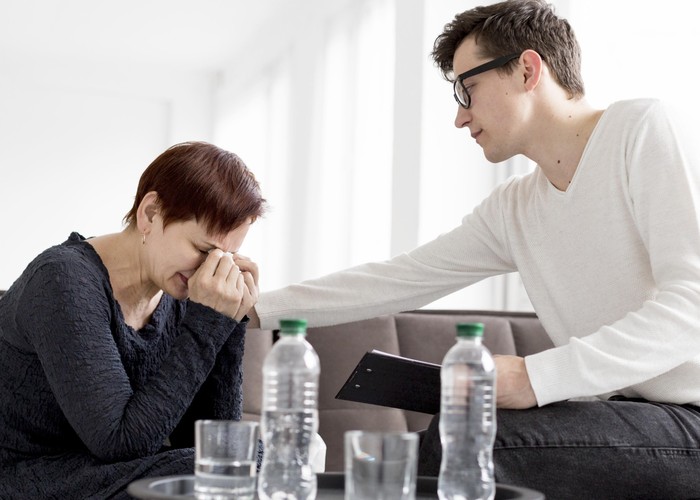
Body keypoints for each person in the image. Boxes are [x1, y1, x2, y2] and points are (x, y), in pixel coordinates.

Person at [249, 0, 700, 497]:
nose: (460, 118)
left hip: (691, 419)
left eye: (467, 89)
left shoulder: (642, 130)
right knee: (424, 449)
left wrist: (531, 376)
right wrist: (253, 309)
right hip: (628, 414)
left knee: (468, 444)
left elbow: (693, 304)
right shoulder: (515, 208)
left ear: (527, 70)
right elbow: (401, 277)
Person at [0, 141, 266, 499]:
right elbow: (119, 442)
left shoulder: (180, 290)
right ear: (150, 214)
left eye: (227, 258)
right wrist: (210, 323)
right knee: (221, 468)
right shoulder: (63, 279)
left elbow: (210, 441)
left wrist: (230, 322)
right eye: (204, 250)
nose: (212, 271)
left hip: (109, 473)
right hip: (30, 476)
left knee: (245, 456)